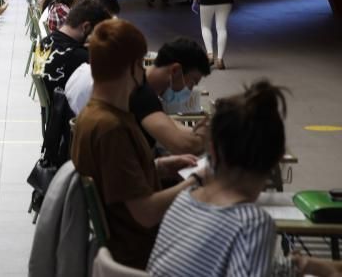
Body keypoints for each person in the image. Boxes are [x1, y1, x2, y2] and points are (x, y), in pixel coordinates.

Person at [148, 81, 340, 277]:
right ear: (277, 158)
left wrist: (301, 265)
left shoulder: (184, 200)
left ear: (212, 150)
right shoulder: (251, 224)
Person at [70, 19, 199, 269]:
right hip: (141, 253)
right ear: (131, 68)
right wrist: (198, 180)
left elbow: (117, 178)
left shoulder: (93, 115)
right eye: (141, 65)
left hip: (127, 245)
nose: (143, 74)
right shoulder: (112, 129)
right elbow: (146, 213)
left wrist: (158, 166)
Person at [66, 38, 211, 155]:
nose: (190, 89)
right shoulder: (140, 94)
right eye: (192, 82)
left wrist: (196, 132)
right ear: (175, 70)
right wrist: (207, 136)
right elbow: (182, 146)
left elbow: (167, 122)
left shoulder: (143, 92)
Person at [40, 0, 113, 98]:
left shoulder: (44, 42)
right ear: (86, 27)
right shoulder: (80, 57)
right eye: (97, 33)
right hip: (71, 112)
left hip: (55, 109)